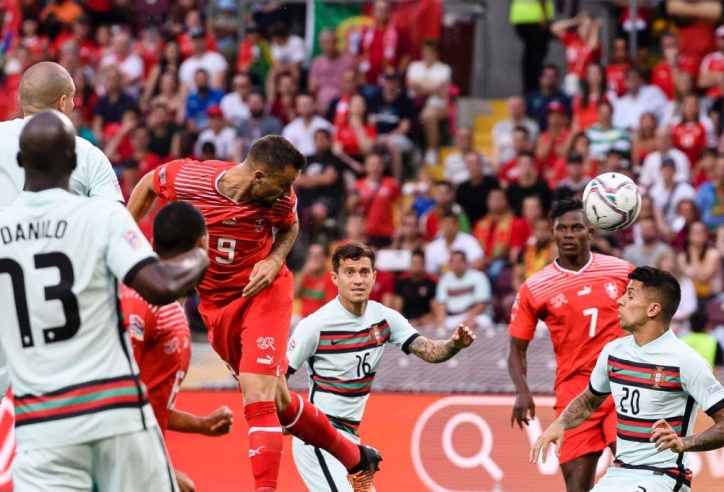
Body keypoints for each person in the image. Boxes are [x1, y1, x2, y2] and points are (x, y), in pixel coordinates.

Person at [127, 135, 383, 492]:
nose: (290, 192)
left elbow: (290, 225)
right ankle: (355, 457)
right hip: (216, 306)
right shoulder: (194, 179)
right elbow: (150, 183)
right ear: (259, 177)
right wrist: (123, 235)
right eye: (284, 183)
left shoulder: (282, 198)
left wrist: (274, 259)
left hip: (265, 291)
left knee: (256, 392)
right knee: (276, 399)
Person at [0, 109, 210, 490]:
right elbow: (160, 285)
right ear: (74, 160)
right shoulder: (99, 216)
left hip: (42, 425)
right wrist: (199, 252)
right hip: (114, 415)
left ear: (19, 160)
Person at [286, 243, 475, 491]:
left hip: (350, 442)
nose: (358, 279)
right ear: (335, 277)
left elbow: (429, 351)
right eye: (349, 272)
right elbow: (277, 376)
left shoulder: (385, 318)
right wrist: (286, 418)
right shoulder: (316, 325)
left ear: (374, 277)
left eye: (364, 272)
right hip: (318, 439)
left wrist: (454, 345)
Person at [531, 267, 724, 492]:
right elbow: (588, 400)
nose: (619, 301)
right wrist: (560, 424)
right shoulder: (613, 352)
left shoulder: (687, 361)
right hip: (619, 473)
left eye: (630, 295)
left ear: (653, 309)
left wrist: (685, 442)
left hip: (662, 477)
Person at [508, 199, 633, 492]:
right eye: (561, 228)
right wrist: (522, 390)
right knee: (577, 487)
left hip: (621, 386)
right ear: (552, 233)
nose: (568, 234)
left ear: (590, 232)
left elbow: (653, 311)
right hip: (574, 393)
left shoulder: (621, 270)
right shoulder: (535, 287)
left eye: (576, 227)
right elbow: (516, 347)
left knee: (637, 473)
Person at [120, 201, 234, 492]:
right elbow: (116, 395)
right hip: (121, 463)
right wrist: (161, 470)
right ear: (204, 245)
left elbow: (149, 400)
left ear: (154, 243)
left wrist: (199, 425)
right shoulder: (143, 302)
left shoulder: (167, 308)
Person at [0, 62, 122, 210]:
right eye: (72, 99)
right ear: (63, 102)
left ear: (20, 100)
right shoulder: (87, 153)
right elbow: (114, 216)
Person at [434, 250, 493, 330]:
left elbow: (481, 304)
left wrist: (467, 320)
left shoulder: (479, 276)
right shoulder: (445, 280)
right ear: (450, 264)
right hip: (453, 318)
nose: (457, 265)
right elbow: (441, 305)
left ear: (466, 263)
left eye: (460, 261)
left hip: (475, 316)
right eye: (454, 262)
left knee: (483, 321)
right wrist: (441, 325)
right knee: (437, 328)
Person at [392, 249, 438, 327]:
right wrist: (406, 322)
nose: (416, 266)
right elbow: (397, 308)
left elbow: (434, 310)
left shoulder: (431, 284)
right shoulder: (402, 283)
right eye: (414, 263)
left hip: (425, 321)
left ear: (424, 265)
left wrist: (419, 322)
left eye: (419, 263)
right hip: (406, 320)